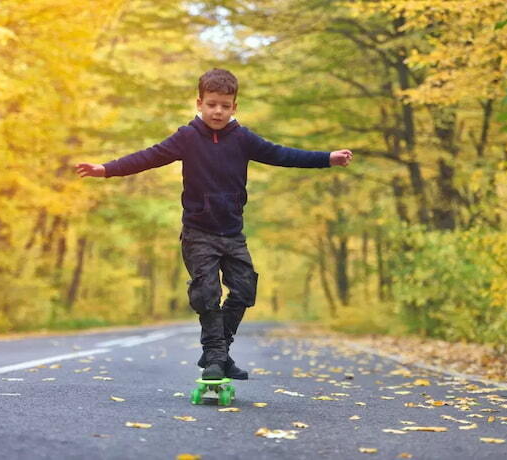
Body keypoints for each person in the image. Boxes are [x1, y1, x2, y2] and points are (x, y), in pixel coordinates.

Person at [75, 68, 352, 380]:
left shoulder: (243, 139)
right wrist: (105, 169)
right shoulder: (187, 137)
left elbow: (282, 154)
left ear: (234, 107)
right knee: (206, 294)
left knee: (245, 290)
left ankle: (218, 352)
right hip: (198, 232)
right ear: (199, 103)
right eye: (211, 104)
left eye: (224, 105)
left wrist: (327, 158)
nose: (217, 111)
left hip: (233, 232)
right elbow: (147, 157)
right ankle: (217, 358)